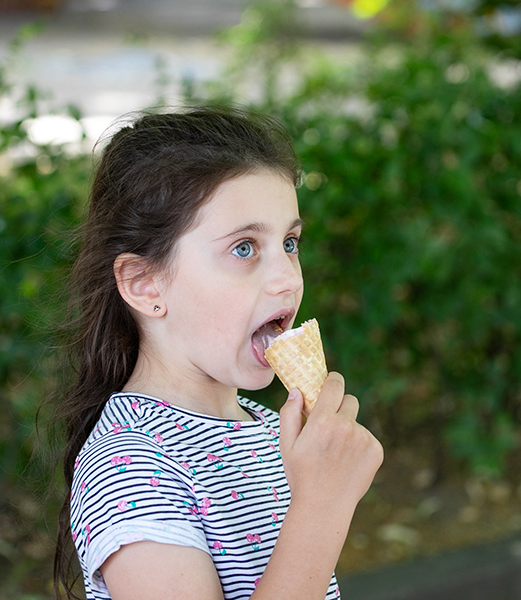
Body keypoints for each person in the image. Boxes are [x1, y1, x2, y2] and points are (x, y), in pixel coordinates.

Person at [52, 106, 383, 600]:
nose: (289, 278)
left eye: (290, 243)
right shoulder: (131, 467)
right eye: (244, 248)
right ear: (145, 284)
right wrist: (321, 507)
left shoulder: (271, 430)